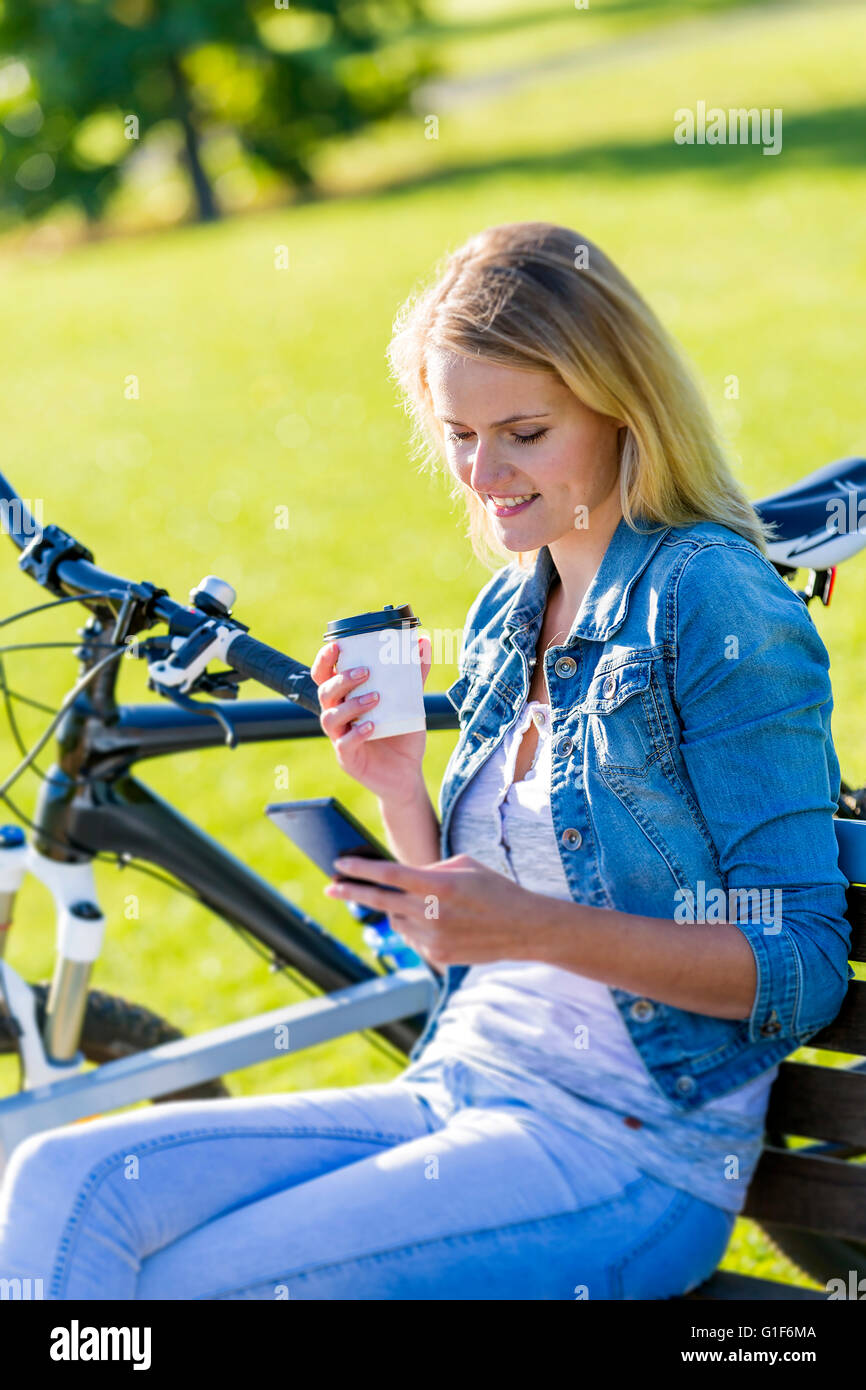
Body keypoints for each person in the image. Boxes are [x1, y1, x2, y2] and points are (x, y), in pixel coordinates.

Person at [0, 221, 852, 1301]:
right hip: (463, 1084)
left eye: (523, 432)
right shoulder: (515, 603)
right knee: (65, 1179)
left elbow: (803, 966)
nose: (482, 473)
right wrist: (398, 784)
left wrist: (536, 925)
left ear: (620, 407)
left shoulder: (710, 600)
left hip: (630, 1151)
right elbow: (473, 959)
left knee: (187, 1289)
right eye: (456, 432)